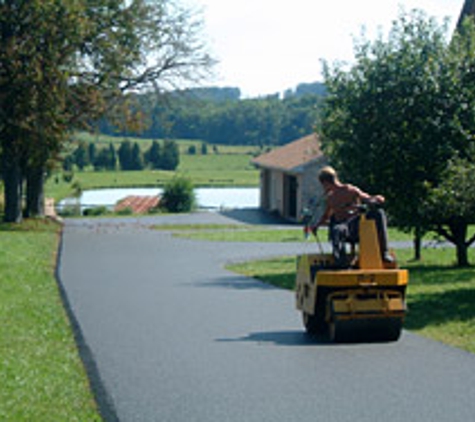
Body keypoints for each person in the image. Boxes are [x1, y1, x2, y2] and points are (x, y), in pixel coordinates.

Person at [312, 166, 393, 268]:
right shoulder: (330, 198)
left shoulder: (350, 190)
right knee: (338, 229)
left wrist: (377, 199)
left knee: (379, 213)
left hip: (355, 224)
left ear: (325, 183)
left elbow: (366, 198)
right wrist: (317, 226)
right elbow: (326, 216)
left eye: (323, 185)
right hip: (343, 226)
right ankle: (341, 261)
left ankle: (384, 252)